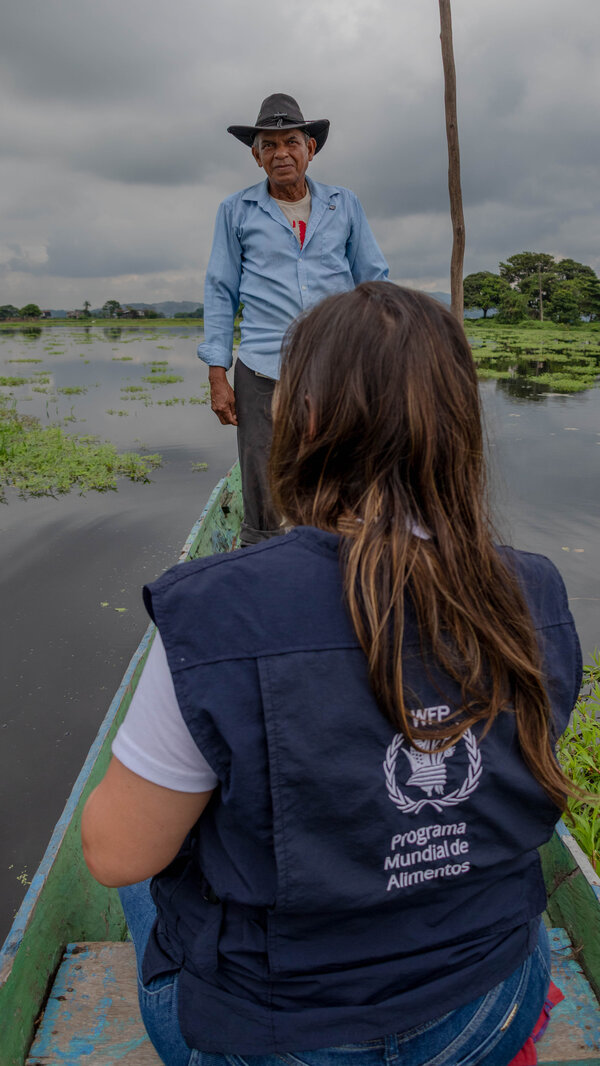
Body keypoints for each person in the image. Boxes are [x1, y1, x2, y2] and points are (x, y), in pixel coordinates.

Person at [82, 283, 582, 1066]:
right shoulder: (538, 590)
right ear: (459, 424)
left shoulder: (217, 609)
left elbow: (116, 856)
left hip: (276, 1041)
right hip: (487, 1009)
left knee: (136, 859)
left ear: (303, 419)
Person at [197, 92, 389, 546]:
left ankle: (337, 549)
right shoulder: (236, 211)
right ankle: (262, 555)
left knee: (341, 465)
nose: (281, 153)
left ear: (310, 148)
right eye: (270, 145)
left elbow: (374, 282)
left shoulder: (343, 205)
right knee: (262, 475)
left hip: (336, 364)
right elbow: (220, 291)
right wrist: (217, 373)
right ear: (256, 156)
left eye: (291, 142)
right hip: (263, 365)